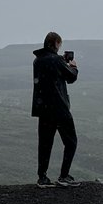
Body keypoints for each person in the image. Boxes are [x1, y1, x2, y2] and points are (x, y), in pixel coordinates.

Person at [31, 31, 80, 188]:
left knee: (45, 143)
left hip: (43, 109)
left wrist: (61, 63)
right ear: (56, 44)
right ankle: (64, 176)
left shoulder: (38, 60)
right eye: (60, 44)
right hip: (59, 108)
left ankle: (42, 177)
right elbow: (71, 77)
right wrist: (73, 67)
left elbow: (52, 75)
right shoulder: (56, 60)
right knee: (71, 142)